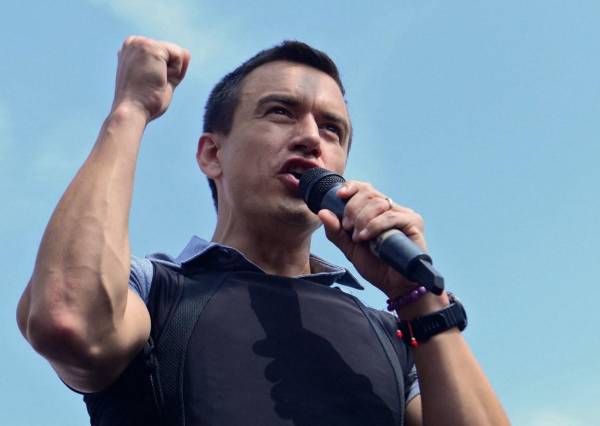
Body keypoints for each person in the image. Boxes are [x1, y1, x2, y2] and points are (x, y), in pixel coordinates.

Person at [17, 35, 509, 425]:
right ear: (213, 154)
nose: (312, 138)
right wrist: (130, 109)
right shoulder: (152, 291)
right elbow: (66, 318)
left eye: (332, 129)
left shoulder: (393, 336)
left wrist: (418, 298)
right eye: (280, 112)